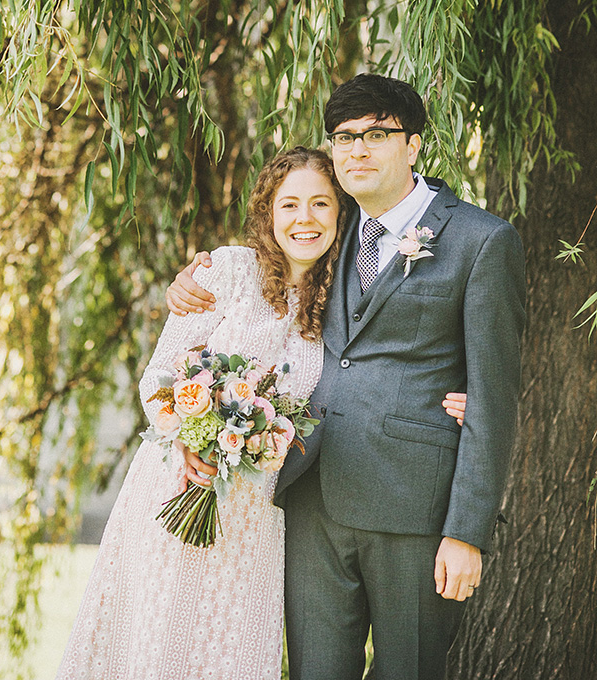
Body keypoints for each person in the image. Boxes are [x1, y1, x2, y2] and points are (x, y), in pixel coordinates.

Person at [54, 145, 466, 680]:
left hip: (259, 514)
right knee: (157, 644)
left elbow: (397, 354)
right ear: (268, 214)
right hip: (181, 484)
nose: (305, 219)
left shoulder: (343, 295)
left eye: (321, 204)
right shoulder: (226, 271)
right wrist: (187, 439)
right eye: (289, 205)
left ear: (341, 216)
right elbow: (157, 378)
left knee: (229, 651)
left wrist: (465, 393)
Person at [167, 73, 525, 680]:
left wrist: (468, 532)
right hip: (312, 500)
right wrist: (193, 283)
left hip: (416, 509)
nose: (357, 149)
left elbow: (494, 395)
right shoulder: (327, 230)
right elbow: (263, 285)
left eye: (377, 134)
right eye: (344, 137)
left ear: (413, 145)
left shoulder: (481, 242)